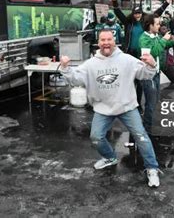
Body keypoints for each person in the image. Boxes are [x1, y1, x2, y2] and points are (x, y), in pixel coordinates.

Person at [59, 29, 162, 187]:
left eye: (109, 39)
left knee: (141, 137)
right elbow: (76, 79)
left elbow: (145, 75)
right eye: (102, 40)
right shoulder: (91, 64)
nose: (106, 43)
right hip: (103, 108)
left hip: (126, 106)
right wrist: (65, 67)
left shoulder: (127, 59)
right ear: (98, 42)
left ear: (114, 41)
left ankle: (152, 168)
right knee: (96, 138)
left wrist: (152, 64)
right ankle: (110, 157)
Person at [139, 14, 174, 132]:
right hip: (148, 75)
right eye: (157, 24)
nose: (160, 25)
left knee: (154, 102)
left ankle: (148, 126)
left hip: (156, 73)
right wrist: (164, 39)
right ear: (150, 25)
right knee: (150, 104)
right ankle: (146, 130)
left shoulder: (155, 35)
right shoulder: (144, 39)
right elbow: (154, 52)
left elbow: (163, 46)